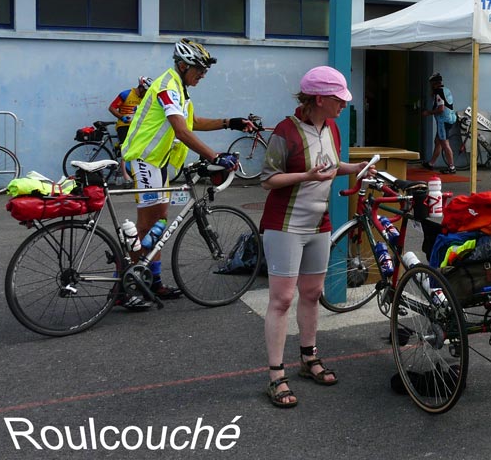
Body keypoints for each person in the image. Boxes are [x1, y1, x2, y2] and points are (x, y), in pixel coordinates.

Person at [260, 66, 375, 408]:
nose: (344, 105)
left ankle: (309, 357)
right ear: (320, 99)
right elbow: (267, 180)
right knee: (281, 299)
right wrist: (303, 176)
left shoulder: (333, 127)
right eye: (339, 100)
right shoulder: (286, 131)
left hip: (319, 223)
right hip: (285, 224)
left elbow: (332, 164)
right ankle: (275, 375)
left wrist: (352, 168)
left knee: (311, 293)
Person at [120, 38, 255, 303]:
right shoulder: (167, 87)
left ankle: (153, 281)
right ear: (182, 65)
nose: (203, 75)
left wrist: (230, 122)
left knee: (158, 225)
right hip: (142, 159)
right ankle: (124, 286)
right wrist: (215, 156)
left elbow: (192, 121)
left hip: (158, 164)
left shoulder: (180, 90)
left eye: (205, 71)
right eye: (199, 70)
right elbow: (181, 131)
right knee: (147, 227)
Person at [108, 76, 152, 183]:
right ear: (141, 88)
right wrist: (122, 117)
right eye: (145, 91)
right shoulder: (126, 94)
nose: (146, 94)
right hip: (124, 126)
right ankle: (126, 177)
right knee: (125, 149)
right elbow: (112, 108)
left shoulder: (145, 98)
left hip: (137, 127)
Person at [421, 72, 458, 174]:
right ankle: (431, 164)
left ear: (434, 84)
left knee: (445, 144)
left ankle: (451, 167)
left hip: (443, 120)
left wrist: (428, 112)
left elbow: (441, 109)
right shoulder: (446, 90)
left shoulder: (438, 93)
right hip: (450, 118)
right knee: (438, 141)